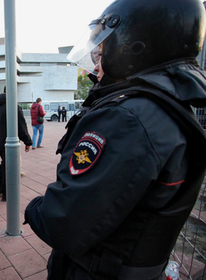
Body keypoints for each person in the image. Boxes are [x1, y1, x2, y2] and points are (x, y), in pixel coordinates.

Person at [25, 0, 206, 279]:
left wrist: (34, 207)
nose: (97, 63)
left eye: (102, 50)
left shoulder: (127, 118)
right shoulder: (168, 107)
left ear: (133, 44)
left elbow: (63, 223)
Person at [0, 86, 33, 201]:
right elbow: (21, 126)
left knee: (4, 163)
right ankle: (5, 193)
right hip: (9, 141)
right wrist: (27, 141)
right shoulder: (13, 106)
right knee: (8, 167)